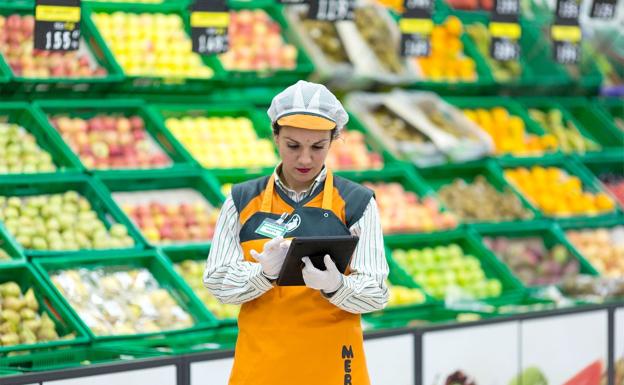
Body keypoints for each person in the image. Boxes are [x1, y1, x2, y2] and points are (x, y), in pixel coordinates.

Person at [203, 80, 389, 385]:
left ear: (334, 139)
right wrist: (263, 275)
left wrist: (336, 286)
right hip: (261, 366)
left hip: (332, 365)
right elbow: (217, 282)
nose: (305, 159)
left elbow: (377, 294)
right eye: (293, 145)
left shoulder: (357, 203)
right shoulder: (241, 200)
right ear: (275, 136)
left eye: (318, 147)